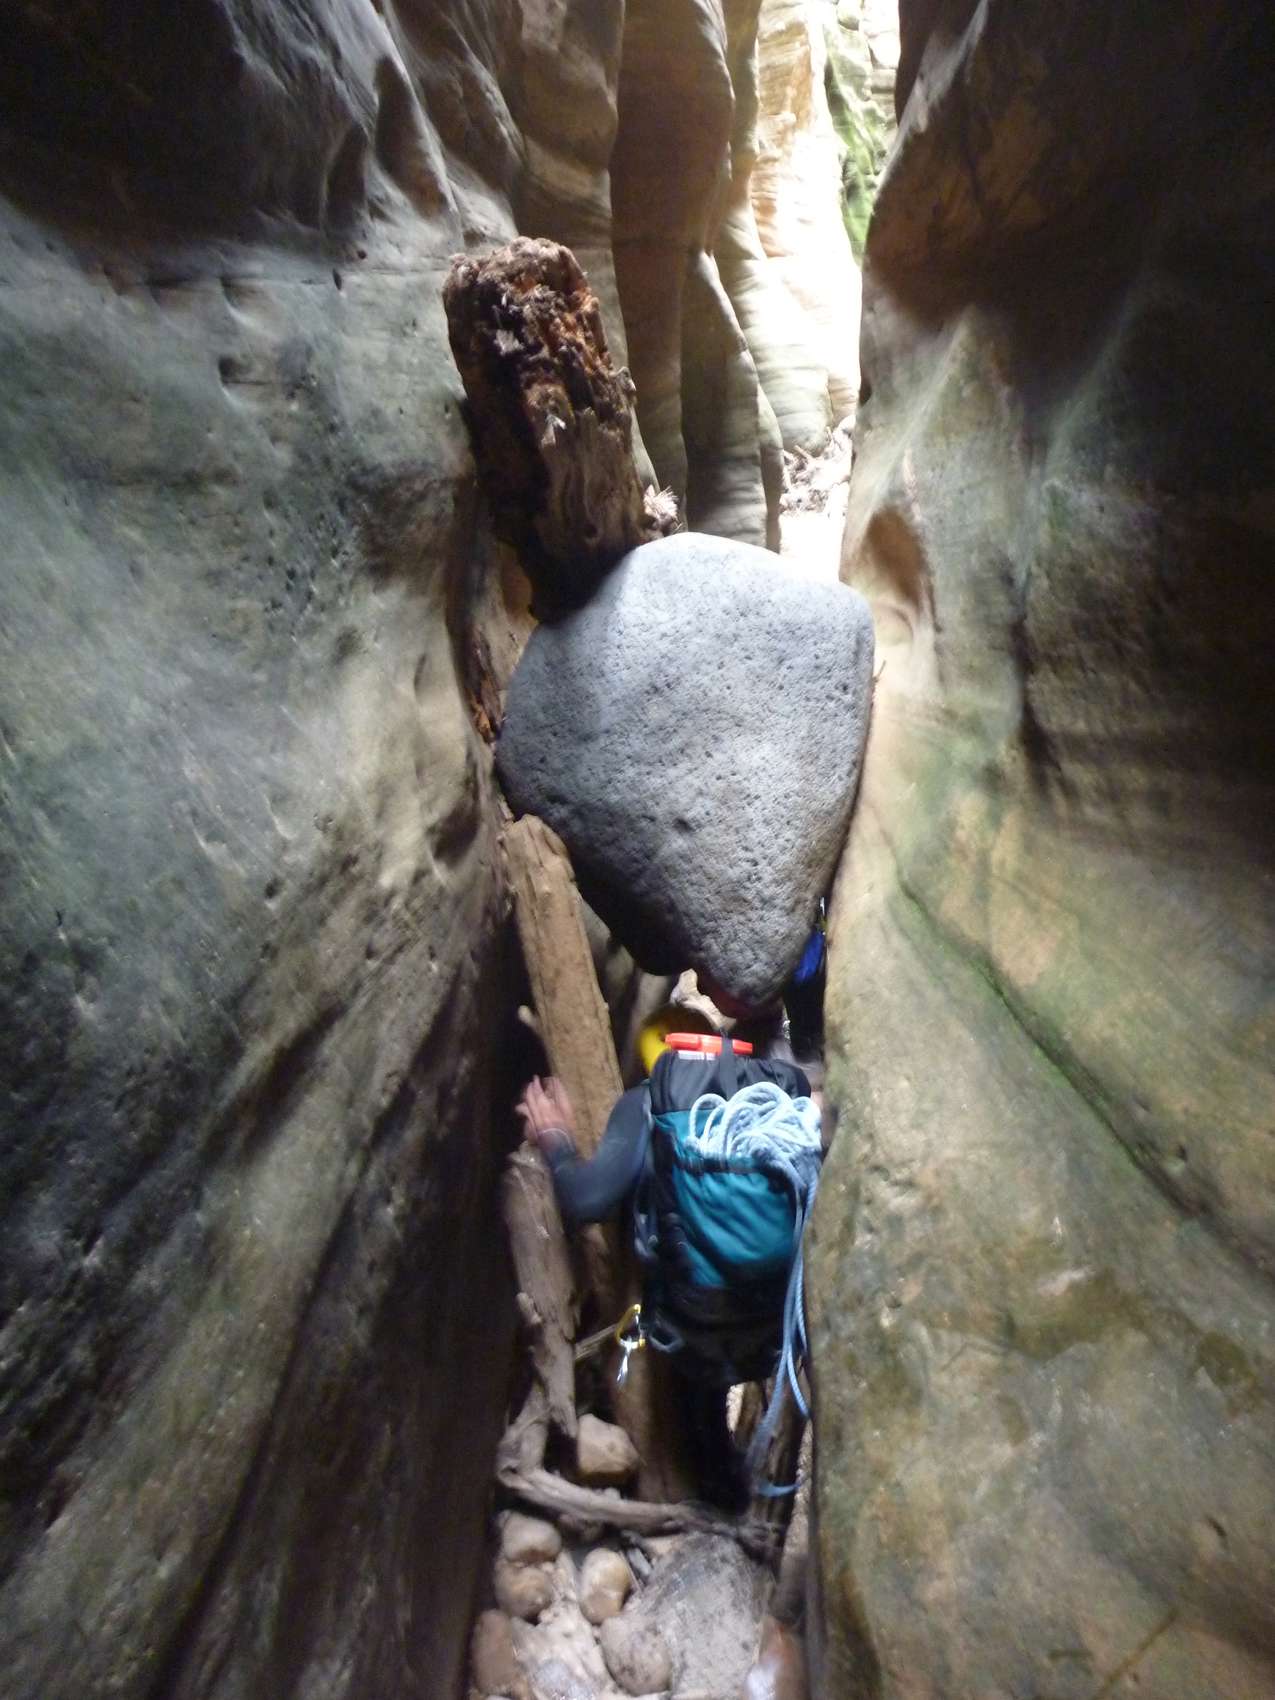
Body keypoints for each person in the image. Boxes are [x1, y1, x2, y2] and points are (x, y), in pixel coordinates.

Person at [516, 1019, 820, 1511]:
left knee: (692, 1380)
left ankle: (703, 1478)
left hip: (689, 1323)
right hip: (772, 1325)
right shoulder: (780, 1099)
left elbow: (587, 1200)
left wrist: (557, 1142)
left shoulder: (649, 1101)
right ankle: (728, 1475)